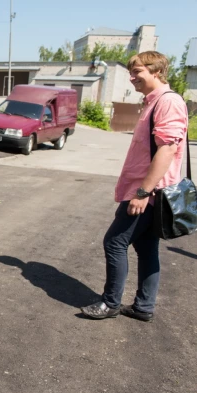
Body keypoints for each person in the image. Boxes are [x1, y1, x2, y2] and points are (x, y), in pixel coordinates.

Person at [81, 51, 188, 323]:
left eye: (137, 71)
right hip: (149, 192)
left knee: (114, 243)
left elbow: (166, 149)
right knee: (146, 247)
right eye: (131, 71)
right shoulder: (153, 102)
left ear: (157, 71)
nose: (132, 77)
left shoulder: (168, 101)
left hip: (149, 194)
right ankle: (143, 307)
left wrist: (143, 193)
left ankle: (110, 303)